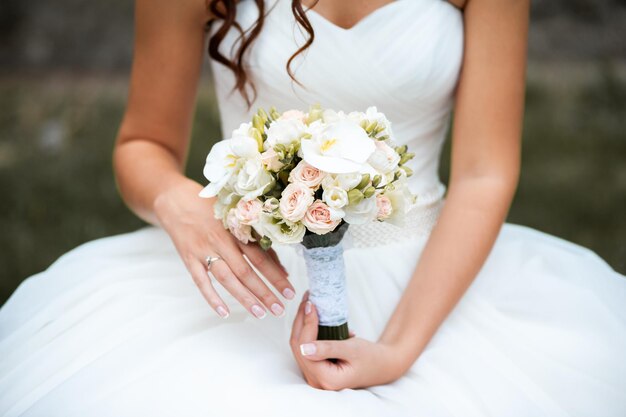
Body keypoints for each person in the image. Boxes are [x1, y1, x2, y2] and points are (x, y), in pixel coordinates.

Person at [1, 0, 625, 415]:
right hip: (254, 279)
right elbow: (144, 144)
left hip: (432, 273)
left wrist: (399, 350)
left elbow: (485, 172)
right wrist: (177, 200)